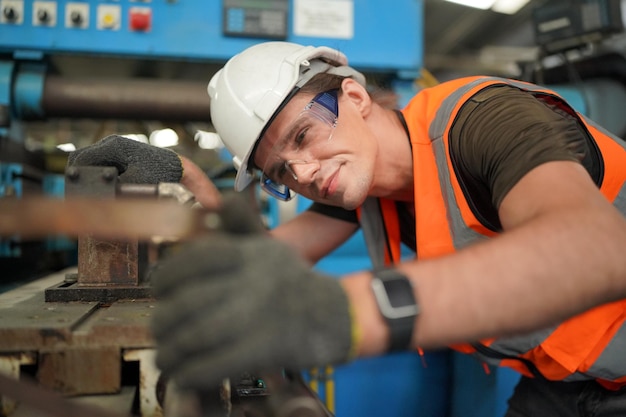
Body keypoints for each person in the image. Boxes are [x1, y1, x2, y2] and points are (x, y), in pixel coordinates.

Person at [68, 41, 626, 416]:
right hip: (564, 385)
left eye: (303, 137)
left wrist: (352, 311)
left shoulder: (486, 123)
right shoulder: (364, 187)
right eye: (282, 172)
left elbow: (596, 248)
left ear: (354, 96)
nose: (304, 172)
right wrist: (183, 176)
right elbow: (261, 261)